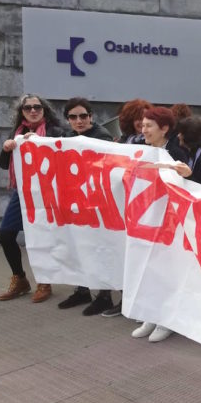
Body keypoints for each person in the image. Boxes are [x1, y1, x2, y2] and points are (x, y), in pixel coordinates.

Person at [0, 94, 65, 303]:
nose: (33, 111)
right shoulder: (17, 132)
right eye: (28, 108)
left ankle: (44, 282)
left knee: (40, 237)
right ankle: (20, 279)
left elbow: (64, 155)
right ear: (22, 112)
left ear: (44, 109)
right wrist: (7, 149)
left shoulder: (55, 131)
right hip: (22, 192)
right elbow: (3, 164)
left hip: (47, 192)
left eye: (37, 107)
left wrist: (41, 142)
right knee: (5, 235)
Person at [130, 107, 189, 344]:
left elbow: (186, 184)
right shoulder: (142, 150)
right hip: (146, 218)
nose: (144, 130)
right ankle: (150, 315)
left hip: (169, 221)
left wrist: (185, 173)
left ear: (164, 128)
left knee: (167, 269)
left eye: (149, 126)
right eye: (142, 125)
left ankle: (167, 319)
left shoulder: (176, 152)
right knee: (148, 266)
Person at [57, 98, 117, 316]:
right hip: (76, 201)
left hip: (97, 202)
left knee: (99, 247)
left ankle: (104, 296)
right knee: (78, 245)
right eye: (73, 117)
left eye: (83, 116)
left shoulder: (101, 137)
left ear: (91, 116)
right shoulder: (68, 137)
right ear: (68, 120)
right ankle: (82, 289)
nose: (79, 120)